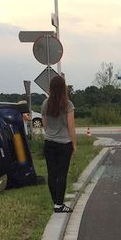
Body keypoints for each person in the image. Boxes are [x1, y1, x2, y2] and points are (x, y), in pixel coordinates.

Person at [42, 74, 77, 213]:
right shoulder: (67, 104)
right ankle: (59, 204)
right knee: (62, 174)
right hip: (64, 143)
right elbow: (71, 127)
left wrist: (50, 132)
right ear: (63, 88)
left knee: (52, 173)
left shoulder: (46, 103)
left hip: (49, 142)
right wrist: (74, 144)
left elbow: (44, 124)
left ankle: (55, 201)